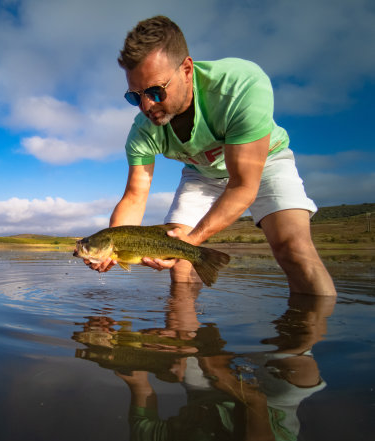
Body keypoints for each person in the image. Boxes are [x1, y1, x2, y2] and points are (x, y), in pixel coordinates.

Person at [85, 16, 336, 296]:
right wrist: (110, 250)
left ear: (187, 70)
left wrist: (193, 240)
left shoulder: (240, 87)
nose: (146, 106)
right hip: (201, 173)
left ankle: (312, 336)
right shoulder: (141, 132)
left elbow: (242, 185)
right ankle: (181, 337)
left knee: (293, 249)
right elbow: (134, 197)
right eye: (135, 96)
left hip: (264, 162)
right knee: (181, 265)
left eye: (156, 91)